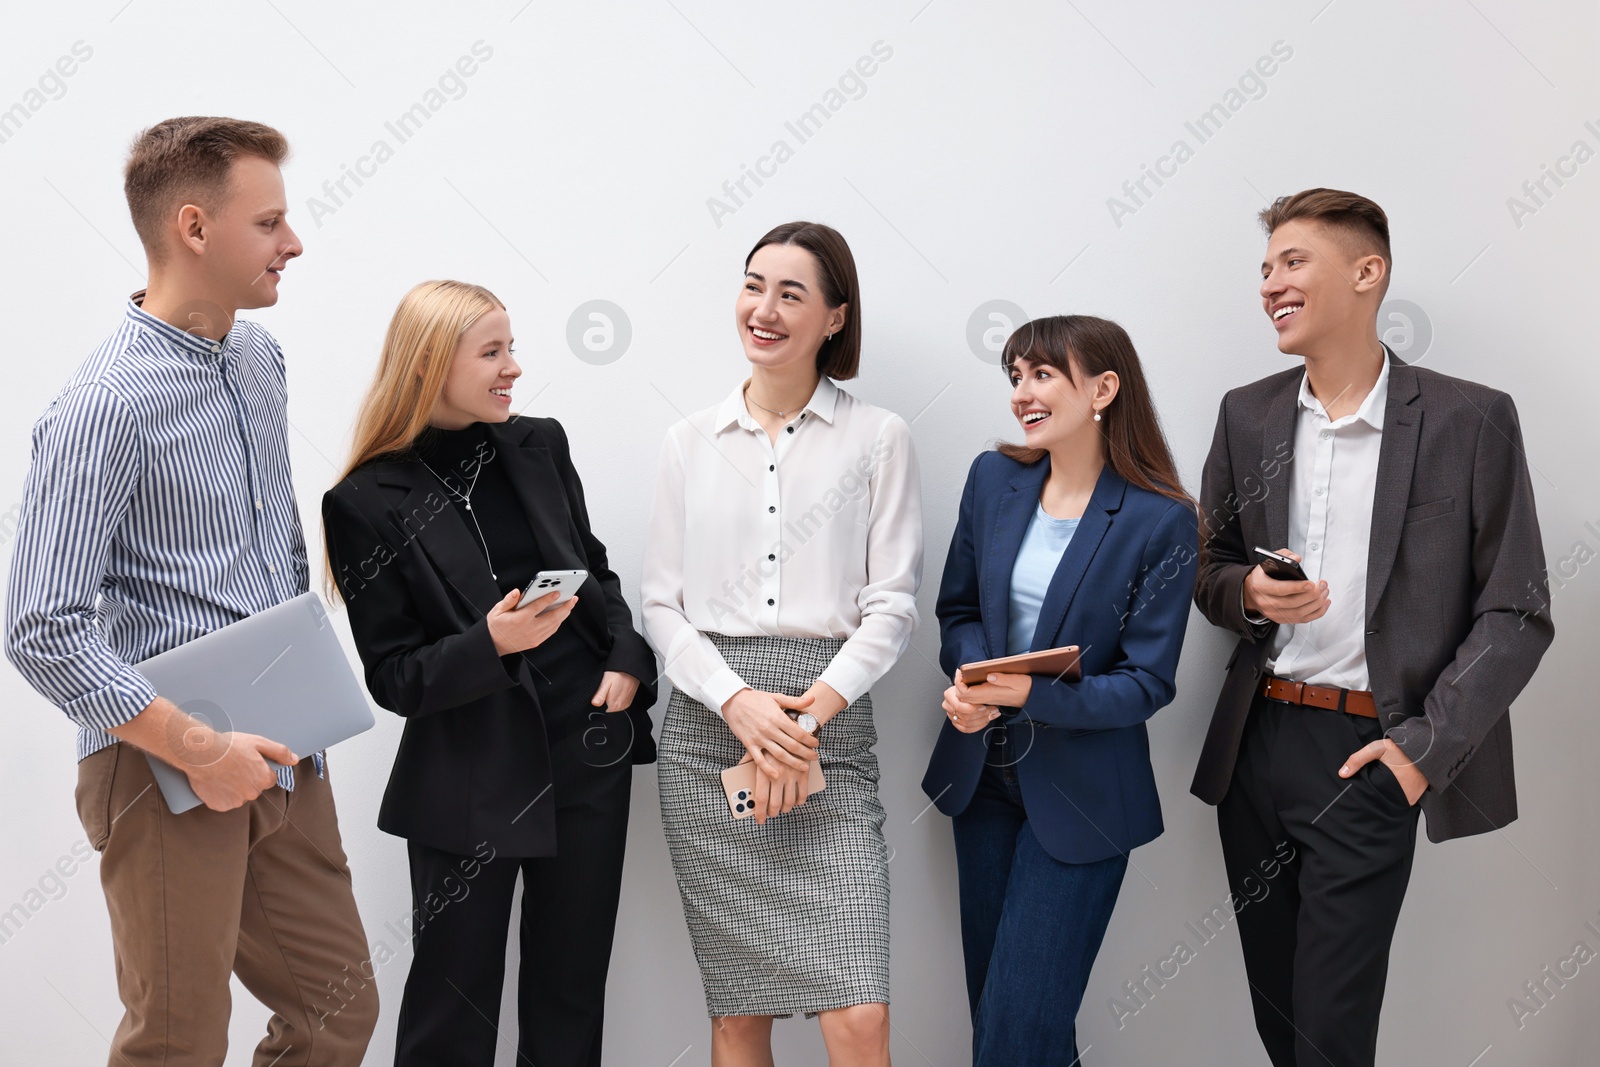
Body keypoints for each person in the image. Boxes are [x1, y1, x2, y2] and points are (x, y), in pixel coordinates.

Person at [3, 116, 377, 1065]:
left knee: (337, 1013)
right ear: (195, 228)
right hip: (164, 763)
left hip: (287, 752)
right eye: (272, 222)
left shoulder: (257, 359)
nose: (294, 243)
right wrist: (199, 748)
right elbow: (41, 625)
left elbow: (273, 558)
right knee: (176, 1041)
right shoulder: (104, 405)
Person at [1190, 188, 1554, 1066]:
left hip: (1370, 753)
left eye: (1292, 262)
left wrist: (1421, 750)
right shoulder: (1249, 412)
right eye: (1265, 268)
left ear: (1367, 272)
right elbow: (1207, 568)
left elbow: (1517, 609)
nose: (1272, 283)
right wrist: (1250, 593)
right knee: (1280, 1023)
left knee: (1329, 1034)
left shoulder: (1470, 419)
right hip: (1257, 743)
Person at [321, 279, 657, 1067]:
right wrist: (492, 641)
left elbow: (596, 575)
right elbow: (394, 677)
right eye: (493, 351)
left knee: (570, 995)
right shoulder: (364, 500)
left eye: (512, 347)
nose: (514, 367)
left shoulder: (539, 443)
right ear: (432, 362)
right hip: (469, 778)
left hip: (588, 752)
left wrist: (628, 657)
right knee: (451, 1009)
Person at [641, 220, 922, 1066]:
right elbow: (662, 605)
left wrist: (811, 710)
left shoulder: (879, 437)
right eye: (753, 284)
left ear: (835, 317)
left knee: (859, 1013)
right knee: (739, 1012)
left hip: (827, 723)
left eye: (791, 293)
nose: (763, 308)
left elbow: (894, 604)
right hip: (709, 731)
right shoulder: (688, 441)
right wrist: (738, 700)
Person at [923, 315, 1199, 1065]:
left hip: (1084, 797)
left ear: (1103, 388)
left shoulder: (1162, 520)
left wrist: (1022, 693)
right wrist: (975, 679)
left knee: (1016, 1035)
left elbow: (1145, 682)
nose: (1023, 392)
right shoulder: (994, 481)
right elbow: (959, 612)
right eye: (1015, 375)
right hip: (981, 778)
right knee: (1011, 1024)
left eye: (1043, 373)